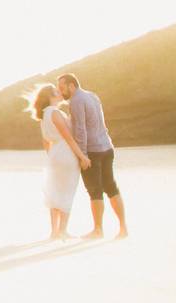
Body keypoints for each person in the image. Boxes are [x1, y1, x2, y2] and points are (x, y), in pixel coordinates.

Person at [57, 73, 129, 239]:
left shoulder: (76, 101)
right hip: (107, 147)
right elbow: (101, 123)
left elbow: (80, 130)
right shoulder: (92, 96)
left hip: (93, 152)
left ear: (71, 85)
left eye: (62, 88)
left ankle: (98, 230)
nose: (61, 92)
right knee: (111, 187)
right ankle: (123, 228)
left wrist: (82, 155)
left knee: (95, 191)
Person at [29, 84, 91, 240]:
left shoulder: (43, 115)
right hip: (66, 153)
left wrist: (52, 156)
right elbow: (69, 138)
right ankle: (63, 230)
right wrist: (82, 157)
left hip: (55, 154)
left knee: (55, 193)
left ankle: (54, 232)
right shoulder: (55, 113)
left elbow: (45, 142)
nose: (60, 93)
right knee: (67, 191)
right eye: (56, 92)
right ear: (50, 97)